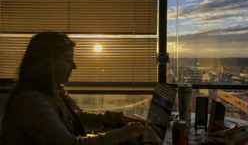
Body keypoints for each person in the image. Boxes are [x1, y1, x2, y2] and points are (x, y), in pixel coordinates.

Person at [1, 32, 145, 145]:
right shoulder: (32, 101)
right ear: (48, 63)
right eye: (68, 60)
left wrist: (118, 119)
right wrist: (126, 133)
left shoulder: (54, 92)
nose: (74, 66)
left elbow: (78, 118)